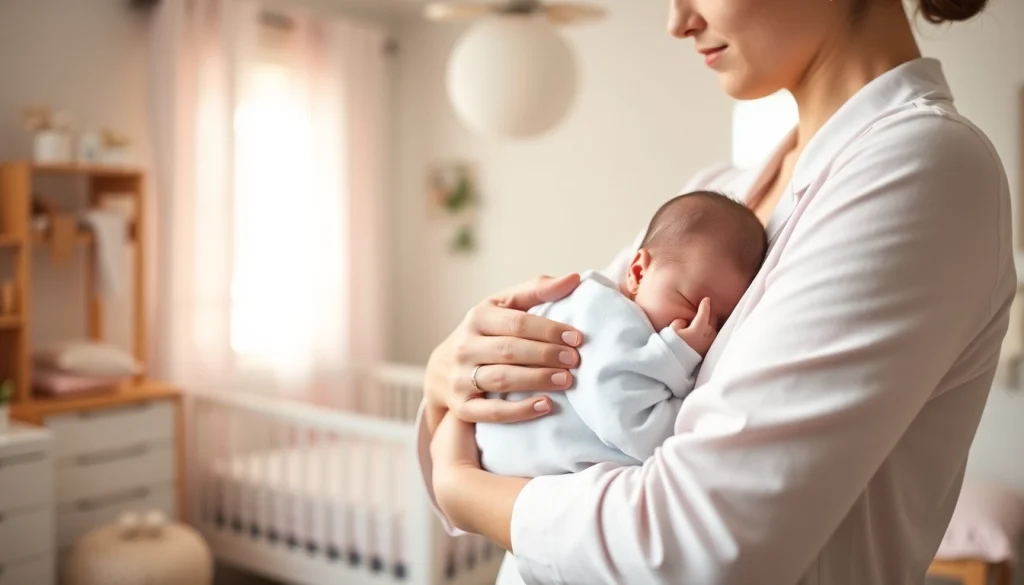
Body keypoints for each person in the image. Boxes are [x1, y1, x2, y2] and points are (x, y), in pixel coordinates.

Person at [418, 0, 1015, 582]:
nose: (678, 22)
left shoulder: (920, 166)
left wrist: (465, 491)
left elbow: (694, 547)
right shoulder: (718, 194)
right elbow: (566, 403)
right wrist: (450, 377)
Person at [477, 191, 767, 477]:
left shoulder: (636, 317)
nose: (704, 327)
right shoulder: (603, 312)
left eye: (722, 321)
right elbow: (632, 422)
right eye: (691, 303)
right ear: (639, 273)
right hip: (509, 462)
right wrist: (675, 355)